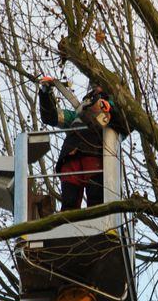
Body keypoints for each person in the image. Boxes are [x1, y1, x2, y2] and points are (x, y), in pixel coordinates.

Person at [38, 77, 128, 211]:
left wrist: (110, 110)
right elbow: (51, 116)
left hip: (96, 155)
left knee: (96, 202)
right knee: (69, 203)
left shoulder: (118, 110)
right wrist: (46, 92)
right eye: (94, 84)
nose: (95, 86)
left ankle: (98, 229)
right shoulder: (76, 115)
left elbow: (125, 127)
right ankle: (66, 228)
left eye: (99, 84)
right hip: (70, 156)